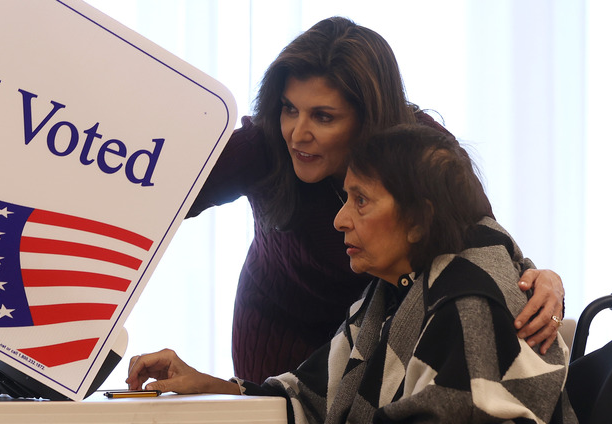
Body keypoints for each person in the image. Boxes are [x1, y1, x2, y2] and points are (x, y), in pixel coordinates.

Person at [127, 125, 580, 424]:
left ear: (420, 220)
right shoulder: (396, 290)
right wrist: (216, 388)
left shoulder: (464, 307)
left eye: (360, 201)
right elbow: (314, 400)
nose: (341, 219)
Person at [188, 16, 566, 383]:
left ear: (367, 118)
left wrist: (541, 279)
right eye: (289, 108)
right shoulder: (265, 143)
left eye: (322, 116)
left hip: (380, 335)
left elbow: (478, 238)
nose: (297, 134)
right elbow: (161, 198)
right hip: (279, 326)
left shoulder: (422, 153)